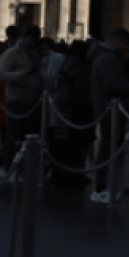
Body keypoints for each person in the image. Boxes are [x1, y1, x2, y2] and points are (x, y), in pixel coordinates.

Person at [91, 29, 129, 203]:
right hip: (110, 109)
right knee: (106, 149)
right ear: (117, 42)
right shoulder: (107, 59)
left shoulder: (106, 57)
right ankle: (101, 188)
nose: (127, 48)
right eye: (125, 44)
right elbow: (113, 86)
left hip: (108, 109)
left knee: (109, 148)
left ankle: (104, 187)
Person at [0, 25, 43, 177]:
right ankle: (9, 166)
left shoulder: (35, 53)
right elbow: (1, 75)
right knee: (13, 135)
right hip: (16, 99)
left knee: (29, 136)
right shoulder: (12, 53)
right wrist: (22, 74)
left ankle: (25, 167)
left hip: (33, 100)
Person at [50, 40, 92, 189]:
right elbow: (82, 90)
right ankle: (70, 178)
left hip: (65, 108)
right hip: (74, 110)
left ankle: (62, 176)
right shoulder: (78, 67)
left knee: (64, 145)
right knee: (73, 145)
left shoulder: (67, 62)